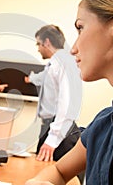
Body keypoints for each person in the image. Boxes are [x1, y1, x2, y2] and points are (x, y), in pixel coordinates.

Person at [25, 0, 113, 184]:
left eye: (80, 28)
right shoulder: (102, 125)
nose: (74, 49)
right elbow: (59, 172)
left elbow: (65, 104)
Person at [24, 25, 82, 162]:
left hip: (61, 132)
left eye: (38, 44)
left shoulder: (64, 63)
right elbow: (43, 77)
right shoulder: (54, 64)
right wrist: (30, 79)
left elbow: (66, 103)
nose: (38, 48)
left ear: (47, 42)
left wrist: (52, 140)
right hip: (50, 128)